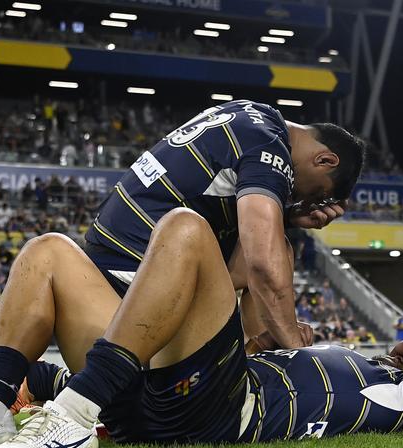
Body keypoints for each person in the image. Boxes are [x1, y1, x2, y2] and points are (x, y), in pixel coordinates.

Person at [0, 210, 403, 448]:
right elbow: (240, 340)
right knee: (48, 250)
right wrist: (265, 342)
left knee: (185, 227)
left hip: (219, 413)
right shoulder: (366, 360)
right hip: (150, 396)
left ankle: (74, 413)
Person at [82, 99, 364, 349]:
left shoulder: (251, 113)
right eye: (315, 193)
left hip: (111, 255)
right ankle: (271, 364)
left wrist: (288, 215)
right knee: (276, 250)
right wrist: (294, 346)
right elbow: (264, 264)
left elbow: (208, 190)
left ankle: (261, 359)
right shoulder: (270, 148)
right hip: (132, 277)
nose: (299, 195)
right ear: (325, 160)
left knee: (271, 242)